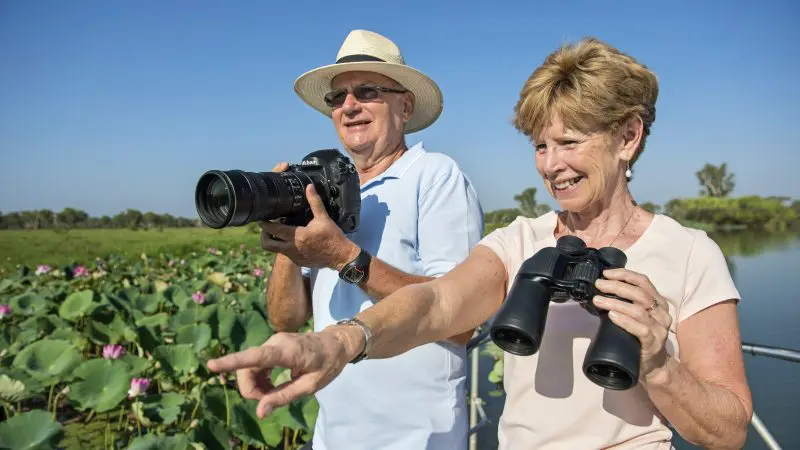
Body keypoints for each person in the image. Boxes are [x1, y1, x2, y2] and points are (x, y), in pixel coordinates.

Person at [209, 37, 753, 449]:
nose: (551, 166)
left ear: (628, 137)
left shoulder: (689, 252)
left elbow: (727, 431)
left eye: (568, 142)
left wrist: (658, 364)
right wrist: (336, 342)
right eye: (540, 145)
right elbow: (438, 303)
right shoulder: (520, 241)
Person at [250, 29, 484, 450]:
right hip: (332, 436)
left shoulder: (434, 175)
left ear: (405, 105)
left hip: (416, 438)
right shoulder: (326, 190)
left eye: (367, 91)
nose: (349, 106)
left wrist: (343, 256)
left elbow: (462, 322)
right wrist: (288, 225)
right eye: (337, 98)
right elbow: (285, 319)